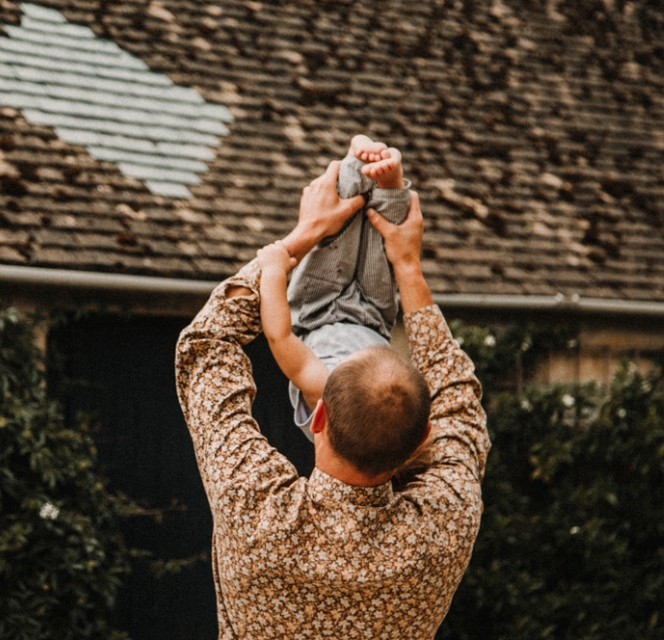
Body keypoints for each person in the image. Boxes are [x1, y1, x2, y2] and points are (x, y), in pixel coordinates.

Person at [175, 159, 489, 639]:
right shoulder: (445, 523)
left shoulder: (256, 509)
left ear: (317, 414)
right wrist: (289, 247)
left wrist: (310, 240)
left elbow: (204, 349)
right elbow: (458, 397)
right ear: (422, 434)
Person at [258, 135, 413, 444]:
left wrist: (273, 273)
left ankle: (359, 167)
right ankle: (387, 185)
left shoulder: (329, 396)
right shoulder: (334, 400)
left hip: (318, 310)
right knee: (378, 240)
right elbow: (277, 336)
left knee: (340, 237)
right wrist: (273, 268)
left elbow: (283, 337)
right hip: (373, 320)